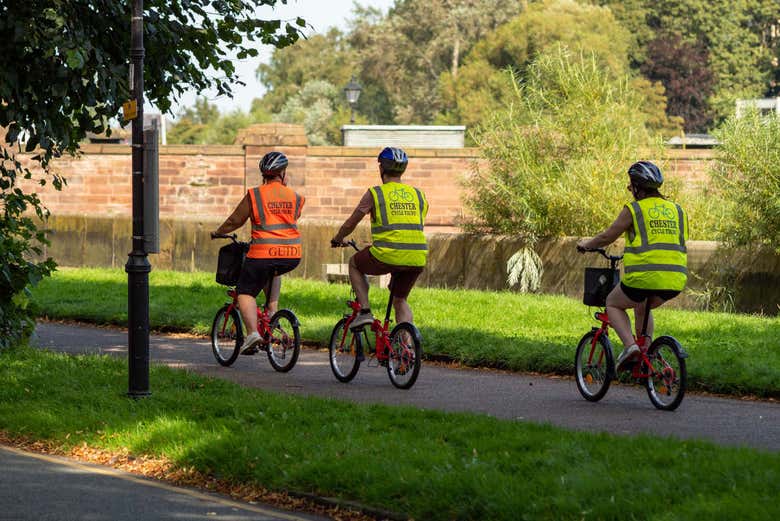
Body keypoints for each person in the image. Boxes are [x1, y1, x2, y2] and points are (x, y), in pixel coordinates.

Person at [577, 161, 688, 370]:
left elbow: (607, 236)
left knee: (613, 302)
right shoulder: (677, 210)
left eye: (631, 185)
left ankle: (631, 347)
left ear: (637, 186)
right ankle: (647, 354)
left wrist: (586, 245)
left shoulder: (634, 209)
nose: (630, 189)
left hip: (645, 277)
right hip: (675, 279)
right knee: (641, 305)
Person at [211, 151, 304, 353]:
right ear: (283, 173)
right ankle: (272, 311)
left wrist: (218, 232)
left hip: (263, 252)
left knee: (244, 292)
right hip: (292, 254)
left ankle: (252, 333)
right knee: (274, 271)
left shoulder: (256, 195)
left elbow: (236, 220)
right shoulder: (296, 197)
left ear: (264, 174)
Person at [331, 147, 429, 329]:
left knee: (354, 263)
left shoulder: (376, 193)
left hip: (387, 255)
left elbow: (351, 223)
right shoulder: (419, 195)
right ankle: (407, 348)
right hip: (417, 257)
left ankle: (365, 312)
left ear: (381, 169)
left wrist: (338, 238)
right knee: (400, 300)